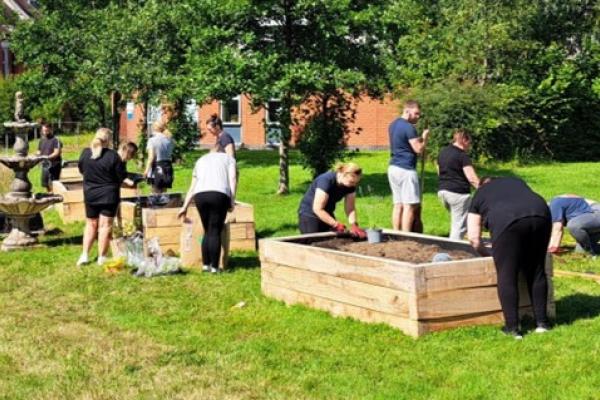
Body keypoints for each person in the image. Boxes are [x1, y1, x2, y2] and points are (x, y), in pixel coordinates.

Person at [467, 177, 552, 339]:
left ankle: (512, 328)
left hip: (506, 219)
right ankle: (542, 323)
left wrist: (490, 255)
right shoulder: (515, 181)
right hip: (541, 212)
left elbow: (473, 238)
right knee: (537, 270)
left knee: (507, 274)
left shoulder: (479, 194)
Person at [77, 128, 132, 266]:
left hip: (90, 194)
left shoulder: (85, 153)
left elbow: (82, 170)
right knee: (105, 226)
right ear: (108, 140)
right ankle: (102, 257)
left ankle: (84, 255)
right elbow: (120, 176)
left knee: (90, 224)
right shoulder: (113, 156)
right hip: (109, 196)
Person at [178, 149, 237, 273]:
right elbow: (232, 179)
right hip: (219, 194)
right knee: (215, 231)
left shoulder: (200, 160)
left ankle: (206, 265)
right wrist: (232, 200)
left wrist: (184, 207)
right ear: (222, 152)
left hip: (200, 195)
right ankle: (215, 267)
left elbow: (192, 186)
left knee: (207, 230)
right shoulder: (229, 159)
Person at [387, 100, 429, 232]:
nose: (418, 116)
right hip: (406, 169)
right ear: (407, 111)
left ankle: (395, 232)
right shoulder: (409, 128)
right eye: (416, 113)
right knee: (409, 206)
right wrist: (425, 138)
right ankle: (406, 236)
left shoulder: (393, 125)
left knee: (397, 204)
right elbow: (418, 149)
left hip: (393, 167)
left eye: (419, 114)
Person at [297, 162, 367, 239]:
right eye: (352, 182)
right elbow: (317, 208)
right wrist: (335, 224)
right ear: (342, 174)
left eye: (356, 182)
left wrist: (354, 225)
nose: (354, 185)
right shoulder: (326, 180)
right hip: (309, 214)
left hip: (327, 212)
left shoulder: (350, 186)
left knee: (332, 241)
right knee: (313, 243)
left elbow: (350, 208)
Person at [437, 129, 480, 240]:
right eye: (469, 143)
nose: (469, 146)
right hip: (458, 194)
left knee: (457, 220)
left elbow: (439, 171)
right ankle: (453, 250)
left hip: (443, 192)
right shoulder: (462, 156)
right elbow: (471, 178)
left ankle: (471, 239)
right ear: (464, 140)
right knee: (459, 226)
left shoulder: (443, 152)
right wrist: (484, 190)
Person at [143, 120, 174, 194]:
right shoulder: (170, 140)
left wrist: (146, 171)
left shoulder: (152, 140)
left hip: (157, 167)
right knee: (164, 193)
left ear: (154, 128)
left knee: (155, 193)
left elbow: (151, 158)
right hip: (168, 167)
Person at [36, 123, 62, 192]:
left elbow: (57, 152)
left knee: (53, 183)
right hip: (45, 165)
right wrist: (37, 158)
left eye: (46, 130)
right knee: (45, 183)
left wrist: (47, 157)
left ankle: (54, 197)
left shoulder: (56, 140)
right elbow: (38, 151)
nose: (45, 132)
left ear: (50, 129)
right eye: (43, 130)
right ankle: (49, 195)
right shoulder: (41, 140)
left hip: (54, 165)